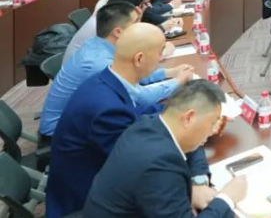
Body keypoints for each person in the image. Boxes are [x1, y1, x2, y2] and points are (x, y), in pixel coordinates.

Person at [48, 23, 201, 218]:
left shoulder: (107, 79)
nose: (161, 58)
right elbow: (141, 165)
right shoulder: (107, 110)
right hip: (86, 201)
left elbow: (138, 113)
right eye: (160, 52)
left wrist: (179, 112)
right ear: (139, 59)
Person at [83, 80, 246, 218]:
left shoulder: (148, 124)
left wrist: (198, 182)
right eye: (212, 122)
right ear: (189, 118)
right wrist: (227, 198)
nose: (212, 131)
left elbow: (191, 145)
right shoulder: (160, 165)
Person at [40, 2, 193, 137]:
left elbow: (134, 75)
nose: (140, 26)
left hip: (89, 120)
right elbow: (139, 97)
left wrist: (168, 73)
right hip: (64, 132)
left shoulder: (101, 43)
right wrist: (177, 81)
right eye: (136, 22)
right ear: (118, 32)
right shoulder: (98, 62)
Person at [64, 0, 158, 61]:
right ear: (131, 6)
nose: (143, 9)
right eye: (143, 5)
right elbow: (127, 54)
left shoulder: (110, 15)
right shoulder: (106, 24)